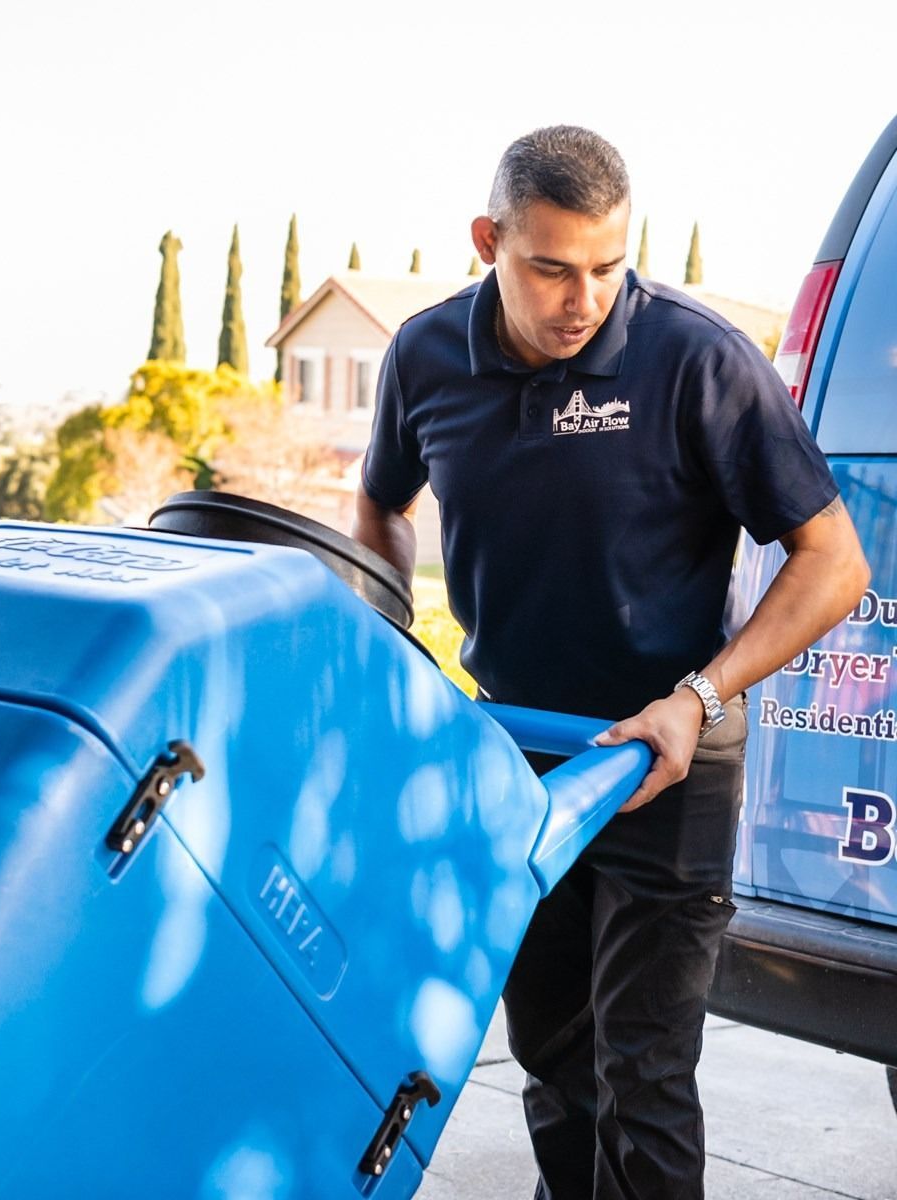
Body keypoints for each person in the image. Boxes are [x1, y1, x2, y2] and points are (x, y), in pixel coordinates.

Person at [352, 125, 870, 1200]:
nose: (580, 297)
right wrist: (389, 631)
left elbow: (834, 563)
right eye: (549, 268)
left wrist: (698, 697)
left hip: (668, 755)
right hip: (520, 752)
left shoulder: (694, 357)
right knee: (554, 1060)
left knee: (642, 1073)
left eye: (606, 266)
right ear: (490, 241)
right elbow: (380, 507)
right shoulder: (426, 355)